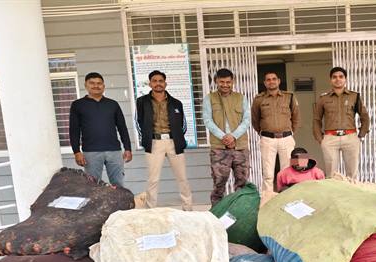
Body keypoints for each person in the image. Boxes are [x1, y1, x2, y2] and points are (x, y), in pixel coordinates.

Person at [135, 70, 193, 211]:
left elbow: (183, 124)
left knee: (182, 178)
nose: (158, 83)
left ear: (165, 83)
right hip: (154, 143)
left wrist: (177, 137)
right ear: (150, 84)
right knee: (153, 179)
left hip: (174, 142)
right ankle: (151, 210)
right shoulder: (142, 102)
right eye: (154, 81)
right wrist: (146, 138)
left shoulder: (176, 103)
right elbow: (138, 122)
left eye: (161, 81)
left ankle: (188, 208)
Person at [69, 72, 132, 187]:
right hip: (91, 152)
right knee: (92, 186)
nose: (96, 86)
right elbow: (74, 130)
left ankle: (119, 200)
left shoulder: (113, 104)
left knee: (118, 184)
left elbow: (122, 127)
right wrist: (76, 152)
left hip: (114, 151)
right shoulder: (78, 105)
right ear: (86, 85)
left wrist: (127, 148)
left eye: (99, 83)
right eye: (92, 83)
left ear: (103, 86)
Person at [202, 68, 251, 206]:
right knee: (219, 183)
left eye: (228, 82)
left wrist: (233, 136)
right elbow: (207, 120)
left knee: (242, 182)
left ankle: (240, 210)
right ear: (216, 81)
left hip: (240, 147)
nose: (225, 85)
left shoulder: (241, 98)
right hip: (219, 148)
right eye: (222, 82)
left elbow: (247, 120)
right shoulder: (209, 99)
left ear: (233, 81)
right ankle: (217, 212)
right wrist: (224, 137)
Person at [313, 67, 370, 180]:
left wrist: (361, 135)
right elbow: (316, 119)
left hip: (350, 137)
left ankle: (351, 191)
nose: (337, 79)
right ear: (330, 80)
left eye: (341, 77)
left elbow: (364, 116)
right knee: (331, 174)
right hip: (330, 138)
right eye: (334, 77)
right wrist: (320, 139)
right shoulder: (323, 98)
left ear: (345, 79)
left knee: (352, 174)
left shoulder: (354, 96)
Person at [251, 71, 300, 192]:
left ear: (278, 81)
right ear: (264, 83)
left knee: (287, 172)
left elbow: (296, 117)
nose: (271, 81)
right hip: (268, 139)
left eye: (274, 79)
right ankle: (267, 199)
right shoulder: (259, 99)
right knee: (268, 174)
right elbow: (255, 120)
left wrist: (289, 132)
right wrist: (265, 133)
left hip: (286, 139)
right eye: (268, 79)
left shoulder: (289, 97)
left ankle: (286, 198)